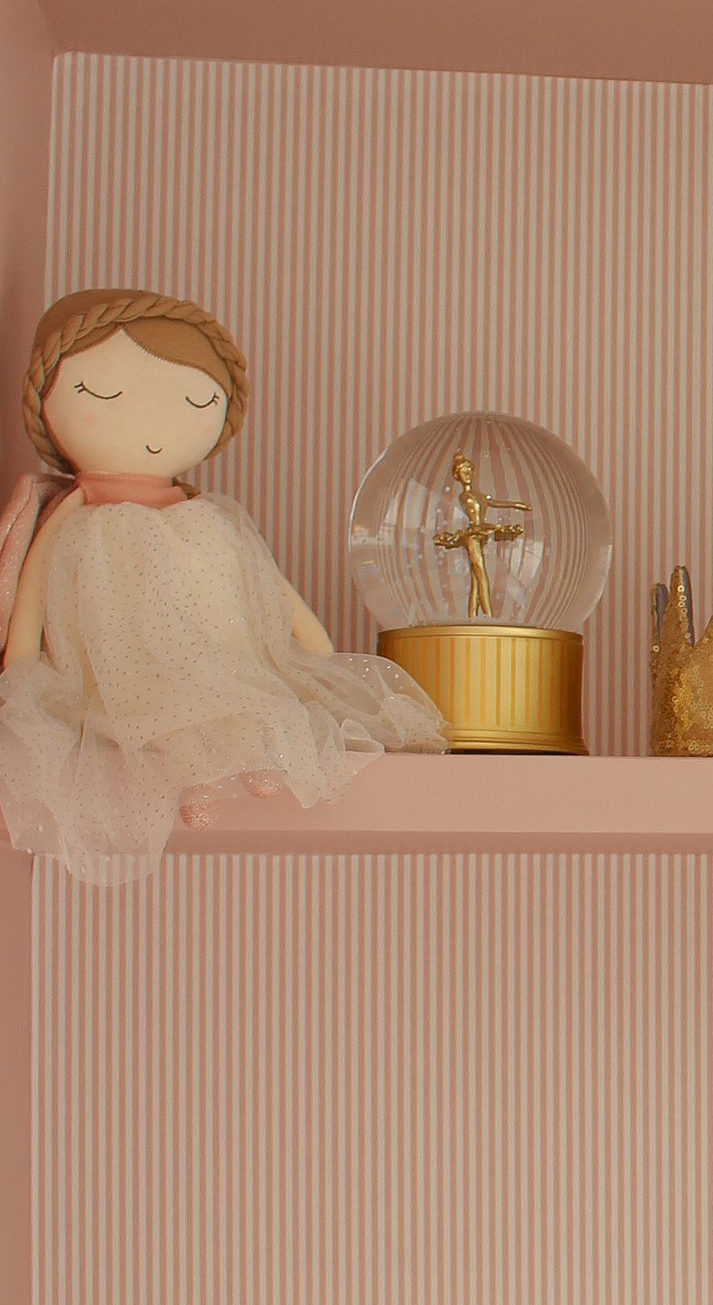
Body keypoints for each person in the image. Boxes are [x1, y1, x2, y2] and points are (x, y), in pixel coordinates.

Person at [0, 284, 444, 884]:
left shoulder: (212, 514)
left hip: (218, 653)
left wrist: (316, 645)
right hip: (116, 663)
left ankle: (257, 755)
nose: (155, 427)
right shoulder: (73, 514)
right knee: (148, 712)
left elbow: (268, 582)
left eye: (193, 400)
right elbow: (29, 594)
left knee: (237, 690)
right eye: (104, 394)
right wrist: (20, 667)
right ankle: (192, 784)